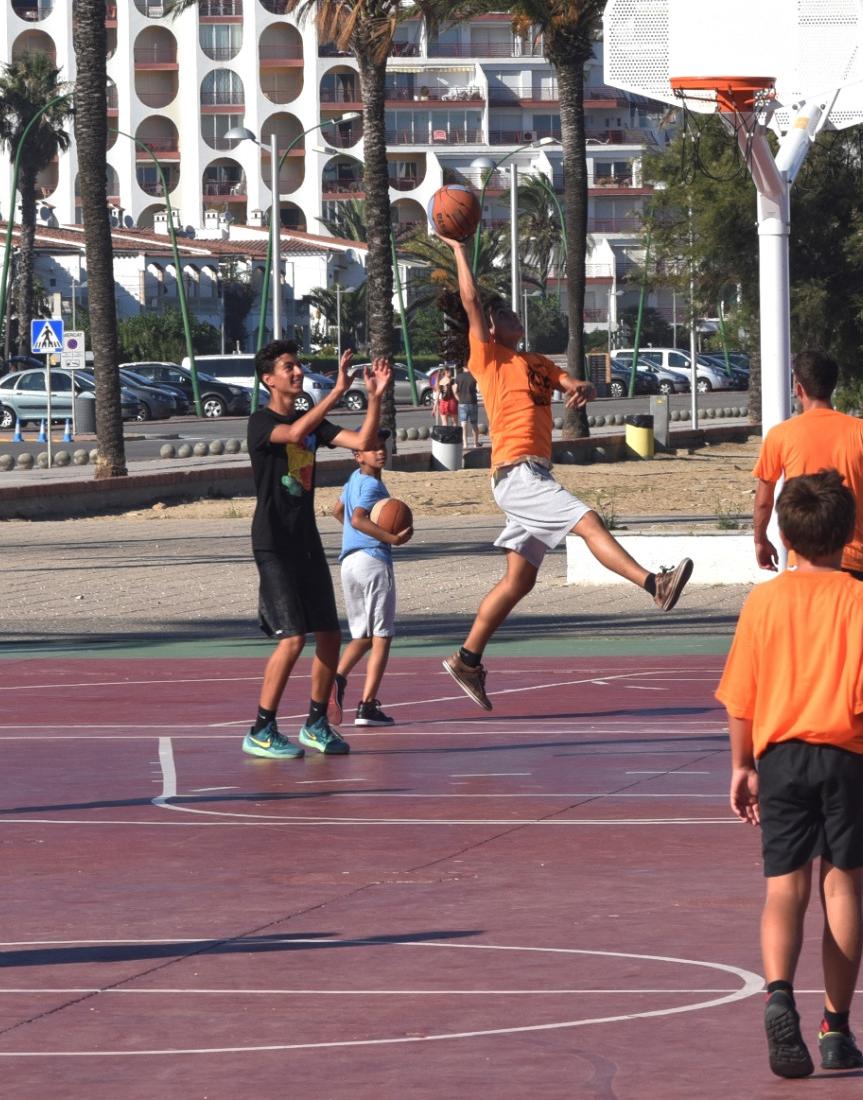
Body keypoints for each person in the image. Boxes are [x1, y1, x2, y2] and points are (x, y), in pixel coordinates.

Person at [438, 231, 695, 711]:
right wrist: (458, 249)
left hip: (534, 475)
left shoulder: (537, 362)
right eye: (501, 313)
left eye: (509, 310)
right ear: (489, 329)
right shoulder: (488, 358)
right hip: (516, 474)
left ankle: (467, 659)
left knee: (519, 581)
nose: (510, 314)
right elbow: (471, 301)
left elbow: (572, 383)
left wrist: (584, 390)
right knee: (588, 521)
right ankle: (653, 585)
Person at [718, 472, 863, 1077]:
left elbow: (741, 697)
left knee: (784, 888)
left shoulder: (763, 601)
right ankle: (835, 1028)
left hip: (780, 756)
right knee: (842, 887)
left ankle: (778, 993)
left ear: (784, 535)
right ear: (851, 532)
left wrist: (742, 764)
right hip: (846, 757)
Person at [243, 343, 390, 760]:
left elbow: (363, 440)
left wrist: (375, 397)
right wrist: (338, 390)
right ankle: (261, 729)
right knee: (293, 639)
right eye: (288, 367)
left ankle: (315, 724)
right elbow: (292, 435)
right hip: (273, 543)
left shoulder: (313, 422)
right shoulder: (260, 422)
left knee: (330, 636)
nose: (297, 372)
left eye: (298, 365)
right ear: (269, 379)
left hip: (306, 544)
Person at [749, 351, 863, 593]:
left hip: (804, 561)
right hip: (854, 560)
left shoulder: (780, 435)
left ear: (798, 388)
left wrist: (760, 540)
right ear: (833, 385)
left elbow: (764, 501)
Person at [332, 442, 412, 727]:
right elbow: (357, 518)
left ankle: (336, 680)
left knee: (364, 636)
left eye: (383, 447)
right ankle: (367, 706)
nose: (381, 452)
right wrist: (392, 539)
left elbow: (338, 511)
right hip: (373, 561)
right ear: (358, 456)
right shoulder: (373, 486)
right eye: (373, 449)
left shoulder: (353, 479)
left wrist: (356, 536)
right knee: (382, 635)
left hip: (349, 563)